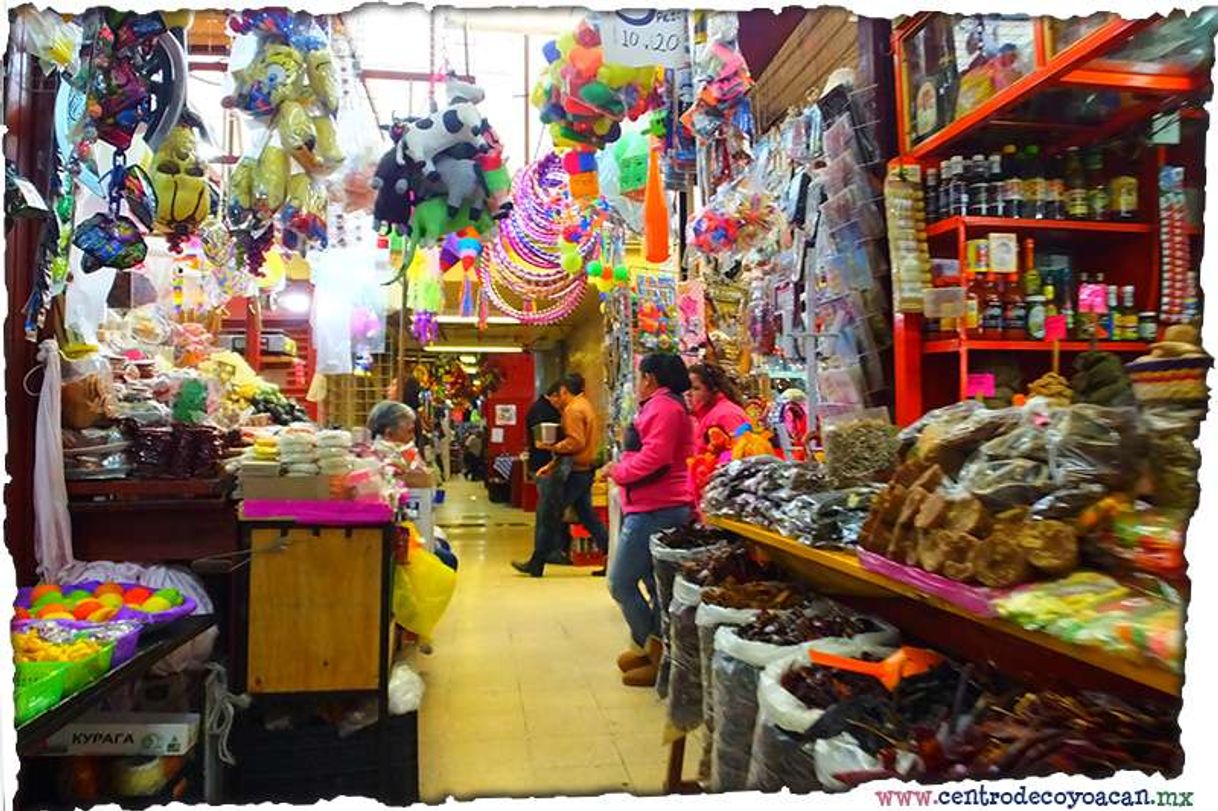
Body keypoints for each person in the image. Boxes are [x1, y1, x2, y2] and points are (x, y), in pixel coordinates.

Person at [604, 354, 695, 687]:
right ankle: (653, 651)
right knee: (652, 586)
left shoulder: (664, 407)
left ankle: (654, 650)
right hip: (650, 505)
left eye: (641, 377)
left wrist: (620, 472)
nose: (638, 383)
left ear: (651, 378)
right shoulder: (663, 405)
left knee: (621, 582)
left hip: (656, 508)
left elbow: (656, 458)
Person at [535, 373, 608, 574]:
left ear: (565, 390)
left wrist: (552, 446)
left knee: (550, 514)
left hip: (574, 472)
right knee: (588, 516)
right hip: (584, 469)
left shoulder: (573, 410)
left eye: (559, 393)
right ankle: (611, 555)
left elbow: (575, 442)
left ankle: (537, 561)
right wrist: (552, 464)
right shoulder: (586, 405)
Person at [512, 383, 572, 575]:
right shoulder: (544, 412)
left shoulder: (540, 408)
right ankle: (547, 554)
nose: (561, 402)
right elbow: (550, 442)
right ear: (554, 395)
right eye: (560, 397)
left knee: (551, 512)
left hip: (549, 466)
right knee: (547, 512)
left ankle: (541, 557)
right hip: (546, 467)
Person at [688, 363, 749, 455]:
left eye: (696, 388)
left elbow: (737, 455)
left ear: (713, 389)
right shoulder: (705, 414)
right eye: (687, 388)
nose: (689, 393)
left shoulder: (726, 415)